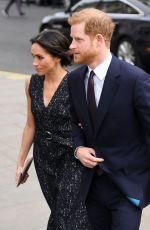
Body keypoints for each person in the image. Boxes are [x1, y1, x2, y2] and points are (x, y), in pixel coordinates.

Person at [67, 8, 150, 230]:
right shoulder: (74, 80)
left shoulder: (135, 80)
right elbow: (73, 122)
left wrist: (141, 184)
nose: (71, 46)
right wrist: (78, 149)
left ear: (99, 40)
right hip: (91, 188)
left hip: (127, 190)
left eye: (77, 39)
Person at [15, 29, 91, 230]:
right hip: (44, 159)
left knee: (66, 215)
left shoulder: (76, 83)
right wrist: (21, 162)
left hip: (71, 157)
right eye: (33, 57)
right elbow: (31, 125)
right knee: (60, 212)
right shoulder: (31, 83)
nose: (34, 63)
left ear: (57, 56)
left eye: (40, 57)